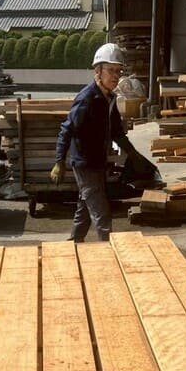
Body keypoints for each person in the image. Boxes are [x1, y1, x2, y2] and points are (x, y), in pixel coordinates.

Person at [51, 43, 144, 242]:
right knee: (101, 214)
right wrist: (59, 162)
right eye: (111, 70)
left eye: (118, 71)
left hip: (98, 161)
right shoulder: (87, 98)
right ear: (98, 71)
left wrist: (133, 153)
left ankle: (73, 243)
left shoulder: (109, 98)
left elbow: (117, 132)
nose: (115, 76)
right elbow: (67, 129)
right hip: (84, 163)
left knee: (85, 208)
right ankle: (110, 251)